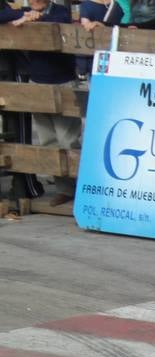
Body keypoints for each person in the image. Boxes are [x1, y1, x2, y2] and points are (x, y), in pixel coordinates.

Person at [3, 0, 79, 204]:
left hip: (62, 82)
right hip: (38, 84)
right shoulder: (26, 11)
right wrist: (23, 17)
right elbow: (4, 15)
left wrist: (35, 19)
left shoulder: (60, 10)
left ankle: (80, 186)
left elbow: (59, 22)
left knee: (68, 139)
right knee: (48, 141)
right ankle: (65, 190)